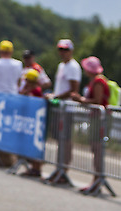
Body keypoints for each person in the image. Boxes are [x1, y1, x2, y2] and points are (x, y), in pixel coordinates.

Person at [45, 39, 82, 184]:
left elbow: (73, 90)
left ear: (71, 51)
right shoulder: (61, 65)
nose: (62, 52)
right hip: (59, 107)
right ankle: (59, 167)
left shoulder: (73, 66)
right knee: (60, 139)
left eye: (65, 50)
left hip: (67, 108)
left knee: (65, 139)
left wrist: (56, 97)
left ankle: (64, 169)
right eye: (60, 49)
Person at [71, 56, 109, 194]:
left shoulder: (98, 81)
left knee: (97, 150)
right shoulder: (95, 80)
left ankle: (97, 180)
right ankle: (96, 179)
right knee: (95, 150)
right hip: (95, 118)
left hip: (99, 119)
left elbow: (98, 101)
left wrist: (81, 99)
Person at [0, 40, 23, 166]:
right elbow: (18, 82)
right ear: (11, 52)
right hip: (13, 99)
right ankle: (4, 158)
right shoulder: (18, 64)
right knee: (9, 128)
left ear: (0, 51)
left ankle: (0, 158)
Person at [19, 69, 45, 177]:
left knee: (35, 145)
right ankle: (33, 166)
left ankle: (36, 167)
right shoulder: (29, 89)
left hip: (36, 122)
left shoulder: (36, 91)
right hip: (29, 121)